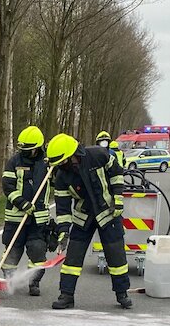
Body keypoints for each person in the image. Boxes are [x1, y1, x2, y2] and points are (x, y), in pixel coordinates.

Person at [46, 133, 132, 310]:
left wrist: (118, 198)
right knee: (73, 257)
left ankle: (122, 293)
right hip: (83, 216)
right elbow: (62, 208)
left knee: (116, 255)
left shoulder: (98, 155)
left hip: (108, 212)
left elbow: (116, 173)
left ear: (72, 156)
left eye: (62, 161)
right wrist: (63, 231)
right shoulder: (62, 176)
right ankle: (66, 295)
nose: (60, 166)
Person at [0, 125, 52, 297]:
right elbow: (8, 186)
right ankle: (9, 280)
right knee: (12, 250)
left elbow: (59, 184)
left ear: (37, 147)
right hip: (16, 217)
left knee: (37, 250)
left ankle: (33, 281)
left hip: (38, 219)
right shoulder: (14, 162)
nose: (24, 152)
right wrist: (22, 203)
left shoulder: (48, 163)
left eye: (28, 149)